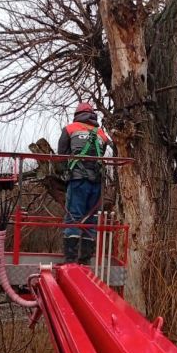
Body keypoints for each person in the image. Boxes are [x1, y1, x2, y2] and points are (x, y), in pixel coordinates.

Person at [57, 102, 110, 264]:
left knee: (74, 216)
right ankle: (85, 259)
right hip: (97, 182)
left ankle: (71, 259)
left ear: (77, 115)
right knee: (92, 218)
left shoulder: (70, 129)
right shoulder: (102, 134)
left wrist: (65, 173)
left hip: (78, 180)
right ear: (92, 115)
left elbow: (62, 155)